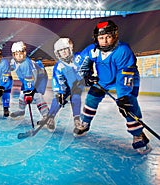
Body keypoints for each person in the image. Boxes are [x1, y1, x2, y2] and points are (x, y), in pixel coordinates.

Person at [76, 20, 151, 153]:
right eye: (101, 38)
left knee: (128, 105)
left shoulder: (123, 51)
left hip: (126, 80)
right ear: (96, 38)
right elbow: (82, 62)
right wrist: (86, 74)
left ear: (115, 36)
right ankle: (85, 123)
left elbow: (125, 74)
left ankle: (138, 134)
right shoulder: (93, 50)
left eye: (108, 37)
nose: (104, 41)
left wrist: (123, 97)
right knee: (91, 99)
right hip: (104, 80)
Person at [39, 38, 84, 131]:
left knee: (75, 96)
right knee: (58, 98)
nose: (63, 52)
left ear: (70, 49)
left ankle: (77, 120)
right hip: (66, 86)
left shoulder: (80, 58)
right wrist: (60, 93)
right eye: (60, 51)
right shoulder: (58, 66)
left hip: (78, 85)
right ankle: (50, 117)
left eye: (64, 49)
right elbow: (59, 81)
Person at [10, 41, 50, 130]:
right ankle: (21, 111)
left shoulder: (26, 64)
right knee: (22, 94)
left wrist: (30, 91)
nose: (19, 56)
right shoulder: (14, 62)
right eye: (16, 54)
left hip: (39, 79)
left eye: (20, 53)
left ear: (24, 53)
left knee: (37, 95)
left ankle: (46, 115)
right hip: (27, 79)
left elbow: (32, 78)